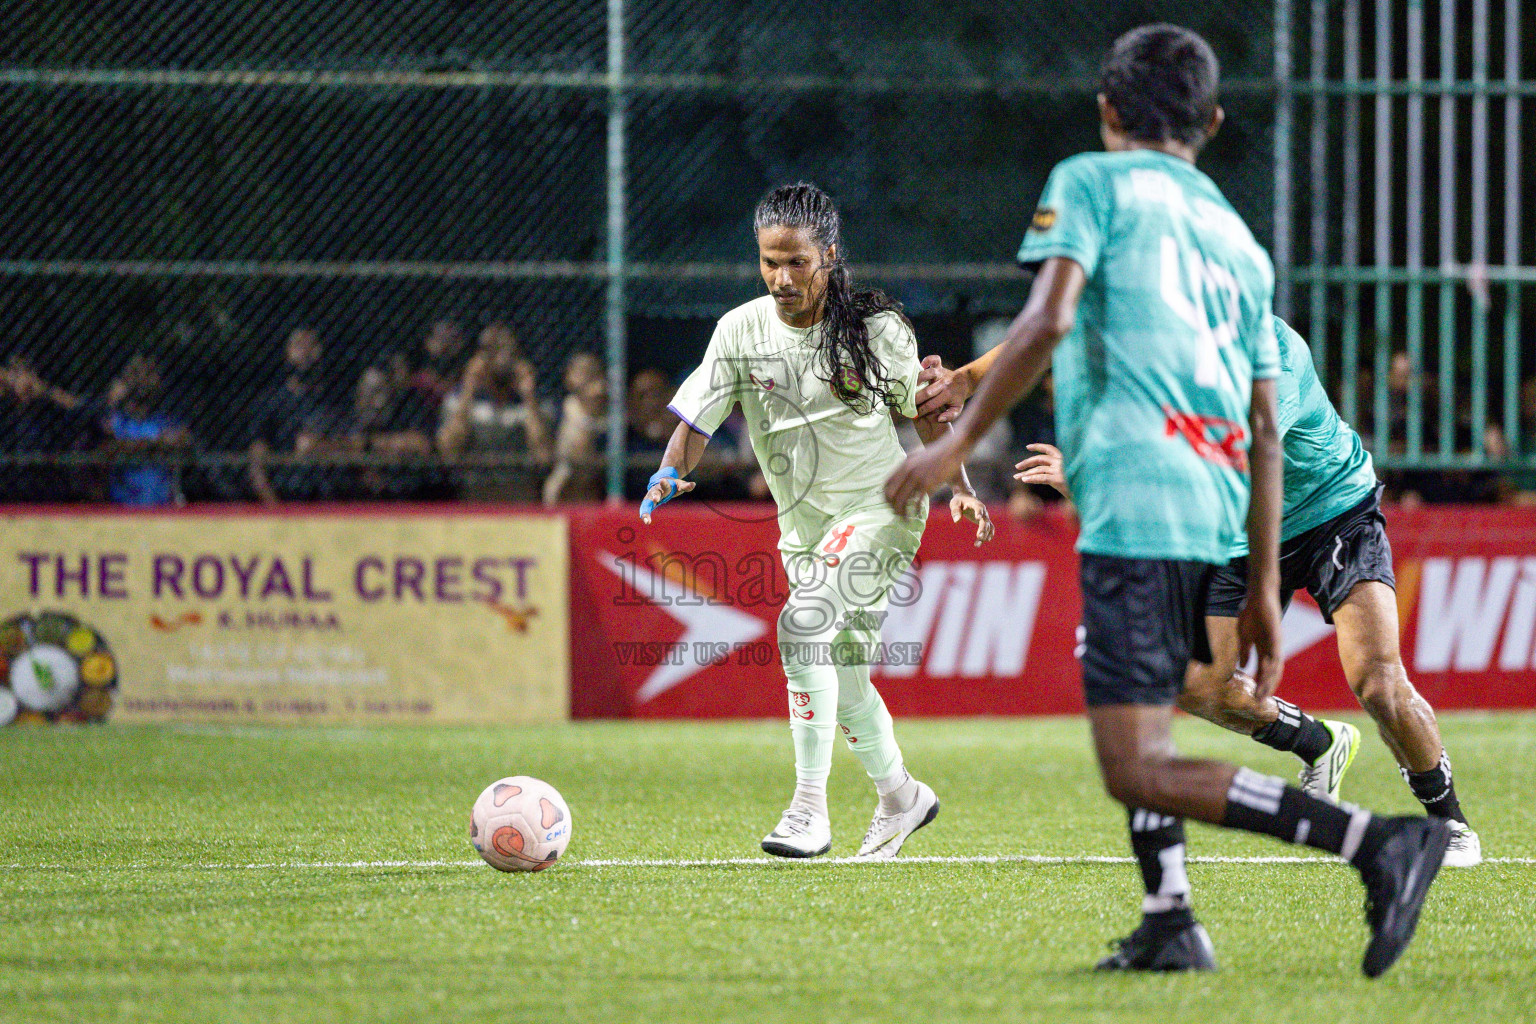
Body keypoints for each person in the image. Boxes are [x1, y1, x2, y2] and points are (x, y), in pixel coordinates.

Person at [885, 25, 1450, 977]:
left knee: (1134, 759)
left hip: (1138, 512)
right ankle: (1171, 917)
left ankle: (1378, 844)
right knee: (1148, 712)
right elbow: (1265, 429)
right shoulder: (1237, 241)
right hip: (1213, 511)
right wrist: (1267, 579)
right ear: (1215, 121)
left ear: (1107, 110)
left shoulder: (1089, 182)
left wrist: (956, 445)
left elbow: (1051, 315)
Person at [932, 316, 1482, 867]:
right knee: (1193, 685)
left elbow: (1227, 466)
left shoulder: (1272, 354)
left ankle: (1450, 823)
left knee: (1379, 684)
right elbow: (1057, 329)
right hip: (1237, 532)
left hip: (1333, 513)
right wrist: (965, 380)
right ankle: (1317, 743)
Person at [640, 182, 994, 861]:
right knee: (847, 672)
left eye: (797, 262)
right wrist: (667, 471)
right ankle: (901, 797)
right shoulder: (739, 331)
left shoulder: (876, 329)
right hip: (804, 530)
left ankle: (808, 810)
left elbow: (922, 410)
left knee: (801, 625)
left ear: (829, 255)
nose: (781, 278)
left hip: (883, 509)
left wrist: (961, 488)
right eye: (770, 262)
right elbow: (696, 417)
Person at [437, 320, 552, 501]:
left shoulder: (535, 400)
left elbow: (543, 455)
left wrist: (529, 396)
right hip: (476, 494)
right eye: (492, 351)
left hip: (519, 492)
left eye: (507, 350)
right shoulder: (459, 399)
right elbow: (449, 452)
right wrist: (469, 388)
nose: (501, 358)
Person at [247, 327, 337, 504]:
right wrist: (277, 509)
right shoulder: (271, 403)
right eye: (298, 345)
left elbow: (356, 443)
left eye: (310, 345)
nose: (305, 351)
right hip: (287, 494)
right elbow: (257, 466)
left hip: (330, 498)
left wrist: (326, 445)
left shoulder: (332, 400)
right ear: (288, 352)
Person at [100, 352, 192, 507]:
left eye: (148, 373)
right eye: (136, 373)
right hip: (122, 505)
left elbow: (184, 439)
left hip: (160, 504)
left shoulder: (164, 417)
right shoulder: (115, 417)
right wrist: (156, 443)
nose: (142, 380)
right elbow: (108, 448)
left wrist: (136, 446)